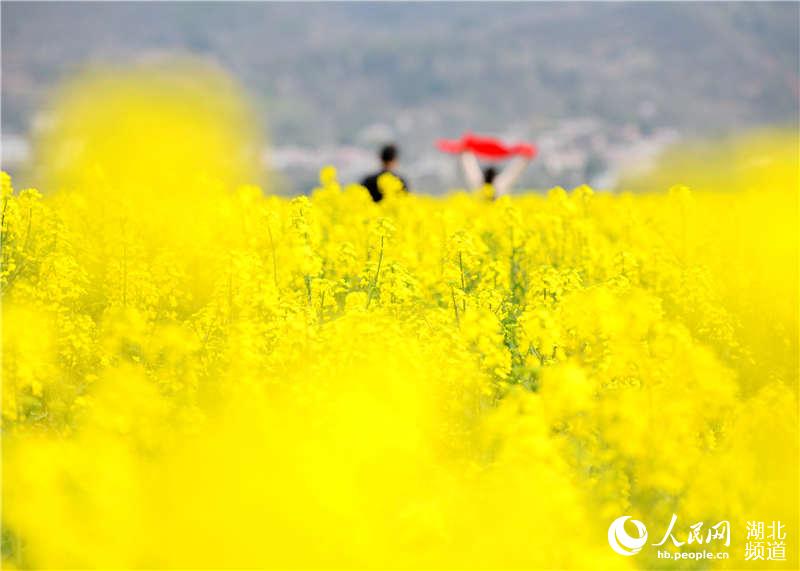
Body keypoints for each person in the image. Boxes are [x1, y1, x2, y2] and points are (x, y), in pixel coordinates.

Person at [459, 150, 532, 200]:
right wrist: (524, 159)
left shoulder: (478, 184)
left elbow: (470, 168)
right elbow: (513, 172)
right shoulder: (499, 185)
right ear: (495, 177)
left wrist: (466, 154)